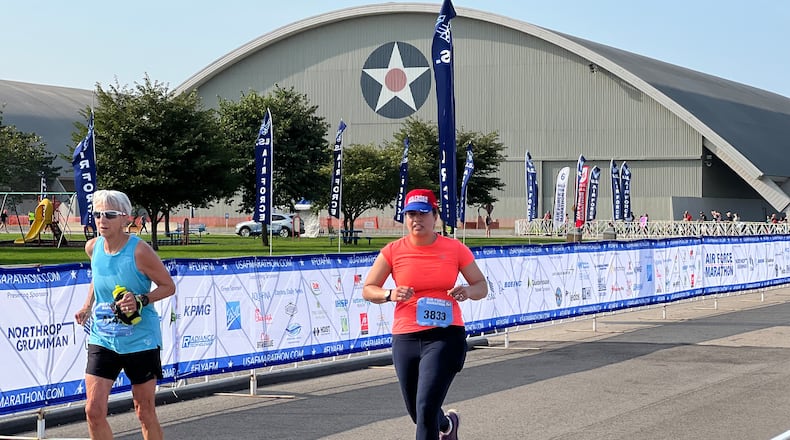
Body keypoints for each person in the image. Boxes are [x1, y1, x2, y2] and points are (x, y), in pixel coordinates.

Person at [362, 189, 488, 440]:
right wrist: (390, 294)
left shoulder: (455, 249)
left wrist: (466, 290)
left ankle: (440, 425)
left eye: (422, 213)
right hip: (406, 336)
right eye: (410, 214)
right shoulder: (393, 251)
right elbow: (368, 289)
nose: (416, 219)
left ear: (435, 216)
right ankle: (447, 426)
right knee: (417, 412)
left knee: (426, 407)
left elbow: (481, 287)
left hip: (445, 335)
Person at [73, 190, 175, 440]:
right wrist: (87, 305)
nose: (101, 220)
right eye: (97, 214)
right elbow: (97, 278)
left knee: (144, 411)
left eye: (109, 214)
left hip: (140, 338)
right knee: (93, 410)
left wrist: (141, 299)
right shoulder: (93, 247)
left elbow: (168, 286)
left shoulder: (140, 251)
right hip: (103, 337)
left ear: (125, 219)